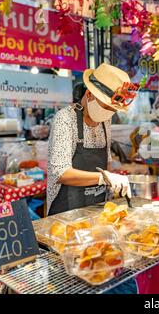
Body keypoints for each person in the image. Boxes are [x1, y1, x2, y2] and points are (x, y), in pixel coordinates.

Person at [47, 63, 136, 215]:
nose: (109, 114)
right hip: (66, 211)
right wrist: (103, 177)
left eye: (113, 110)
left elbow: (106, 160)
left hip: (97, 206)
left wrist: (113, 185)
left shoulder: (105, 121)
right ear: (89, 95)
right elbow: (60, 173)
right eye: (106, 107)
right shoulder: (66, 119)